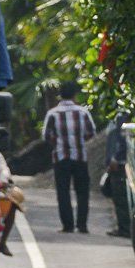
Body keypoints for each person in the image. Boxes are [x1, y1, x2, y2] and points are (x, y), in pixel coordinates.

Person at [42, 81, 97, 234]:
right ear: (74, 95)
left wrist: (58, 143)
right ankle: (82, 225)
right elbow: (91, 132)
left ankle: (68, 225)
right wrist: (79, 141)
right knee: (82, 191)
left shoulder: (52, 114)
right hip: (80, 157)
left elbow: (46, 136)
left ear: (61, 96)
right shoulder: (83, 112)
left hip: (60, 157)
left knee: (63, 191)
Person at [103, 113, 132, 238]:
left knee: (121, 198)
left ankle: (125, 229)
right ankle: (124, 227)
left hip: (120, 164)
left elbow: (123, 140)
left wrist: (115, 158)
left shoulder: (122, 117)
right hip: (119, 163)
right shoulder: (117, 117)